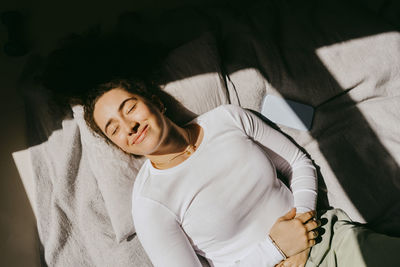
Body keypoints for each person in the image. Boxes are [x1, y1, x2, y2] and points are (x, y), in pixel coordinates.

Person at [84, 78, 400, 267]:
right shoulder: (150, 204)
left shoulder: (227, 119)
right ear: (122, 147)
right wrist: (275, 249)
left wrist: (303, 226)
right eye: (114, 129)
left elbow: (296, 162)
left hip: (325, 240)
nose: (130, 125)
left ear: (156, 103)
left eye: (130, 107)